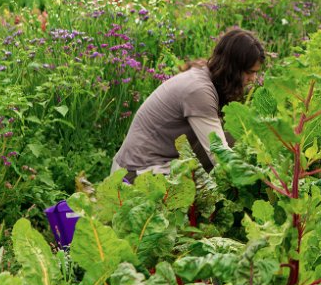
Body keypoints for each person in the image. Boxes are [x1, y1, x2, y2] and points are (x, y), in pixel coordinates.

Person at [111, 28, 265, 182]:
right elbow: (218, 155)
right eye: (249, 72)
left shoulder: (205, 76)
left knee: (234, 136)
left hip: (150, 162)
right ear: (233, 69)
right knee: (226, 154)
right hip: (135, 173)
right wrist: (259, 179)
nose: (253, 78)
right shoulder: (199, 91)